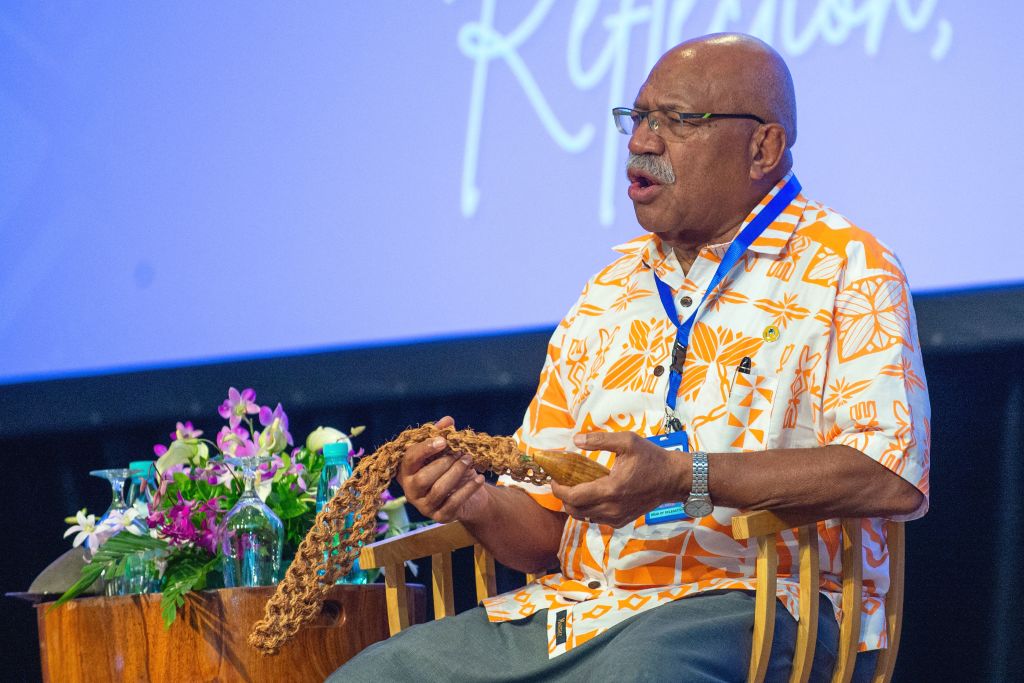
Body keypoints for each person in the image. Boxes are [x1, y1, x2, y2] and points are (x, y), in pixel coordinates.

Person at [330, 32, 929, 683]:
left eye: (678, 120)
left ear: (764, 147)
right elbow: (541, 528)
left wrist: (684, 477)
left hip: (755, 605)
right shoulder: (607, 294)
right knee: (375, 674)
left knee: (639, 671)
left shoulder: (847, 266)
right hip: (579, 611)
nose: (642, 141)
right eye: (639, 117)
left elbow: (887, 473)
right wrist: (470, 498)